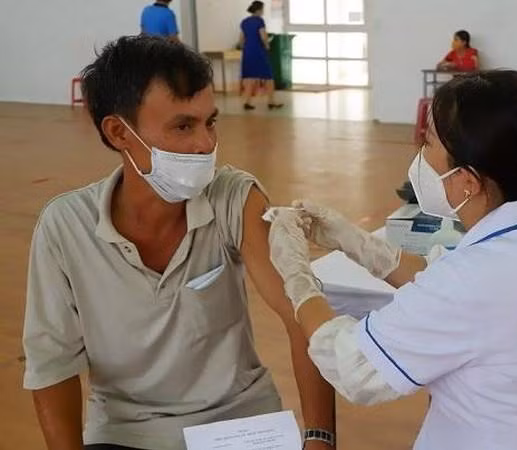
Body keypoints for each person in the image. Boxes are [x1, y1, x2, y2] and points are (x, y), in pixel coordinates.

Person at [265, 70, 517, 450]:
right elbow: (445, 287)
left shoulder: (475, 278)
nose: (419, 154)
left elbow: (356, 367)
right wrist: (354, 242)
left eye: (428, 142)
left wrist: (297, 277)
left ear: (468, 181)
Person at [21, 36, 334, 450]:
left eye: (210, 122)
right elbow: (51, 364)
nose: (206, 143)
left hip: (240, 424)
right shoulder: (65, 227)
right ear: (118, 132)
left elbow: (301, 317)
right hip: (126, 433)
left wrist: (319, 438)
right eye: (183, 126)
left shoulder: (234, 199)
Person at [239, 1, 282, 110]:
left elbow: (241, 40)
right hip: (258, 51)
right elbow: (263, 36)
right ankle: (271, 102)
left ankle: (247, 102)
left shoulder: (244, 22)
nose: (263, 11)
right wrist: (267, 45)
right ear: (259, 10)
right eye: (262, 9)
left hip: (247, 52)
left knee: (249, 78)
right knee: (268, 77)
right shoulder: (259, 21)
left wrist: (245, 47)